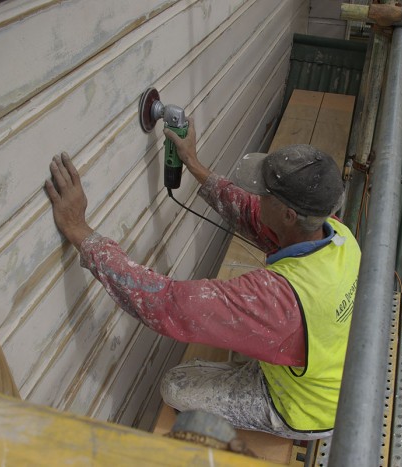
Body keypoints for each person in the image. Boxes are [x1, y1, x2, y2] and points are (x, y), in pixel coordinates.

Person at [45, 117, 361, 440]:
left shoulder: (277, 302)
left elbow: (168, 306)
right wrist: (193, 165)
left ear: (289, 215)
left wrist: (80, 232)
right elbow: (252, 214)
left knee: (175, 386)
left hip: (306, 408)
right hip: (329, 375)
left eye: (264, 193)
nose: (257, 196)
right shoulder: (337, 234)